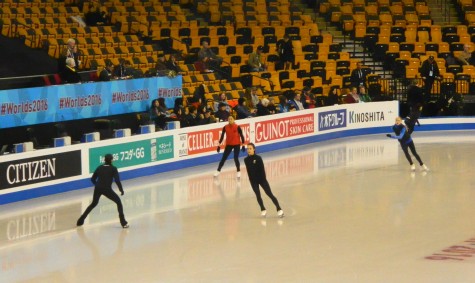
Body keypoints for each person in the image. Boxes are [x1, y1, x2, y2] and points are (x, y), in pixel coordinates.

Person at [77, 153, 129, 228]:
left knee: (93, 204)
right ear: (111, 160)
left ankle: (80, 220)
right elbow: (117, 180)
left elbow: (92, 179)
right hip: (107, 189)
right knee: (119, 202)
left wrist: (98, 185)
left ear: (104, 160)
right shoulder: (113, 168)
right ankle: (123, 223)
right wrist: (121, 190)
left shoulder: (99, 167)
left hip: (98, 188)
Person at [244, 143, 284, 217]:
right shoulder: (246, 160)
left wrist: (262, 179)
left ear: (254, 149)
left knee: (269, 194)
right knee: (258, 195)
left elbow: (262, 170)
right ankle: (263, 209)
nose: (248, 150)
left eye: (250, 148)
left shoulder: (258, 158)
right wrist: (251, 180)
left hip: (262, 179)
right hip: (253, 181)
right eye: (248, 149)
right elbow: (249, 171)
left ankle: (279, 209)